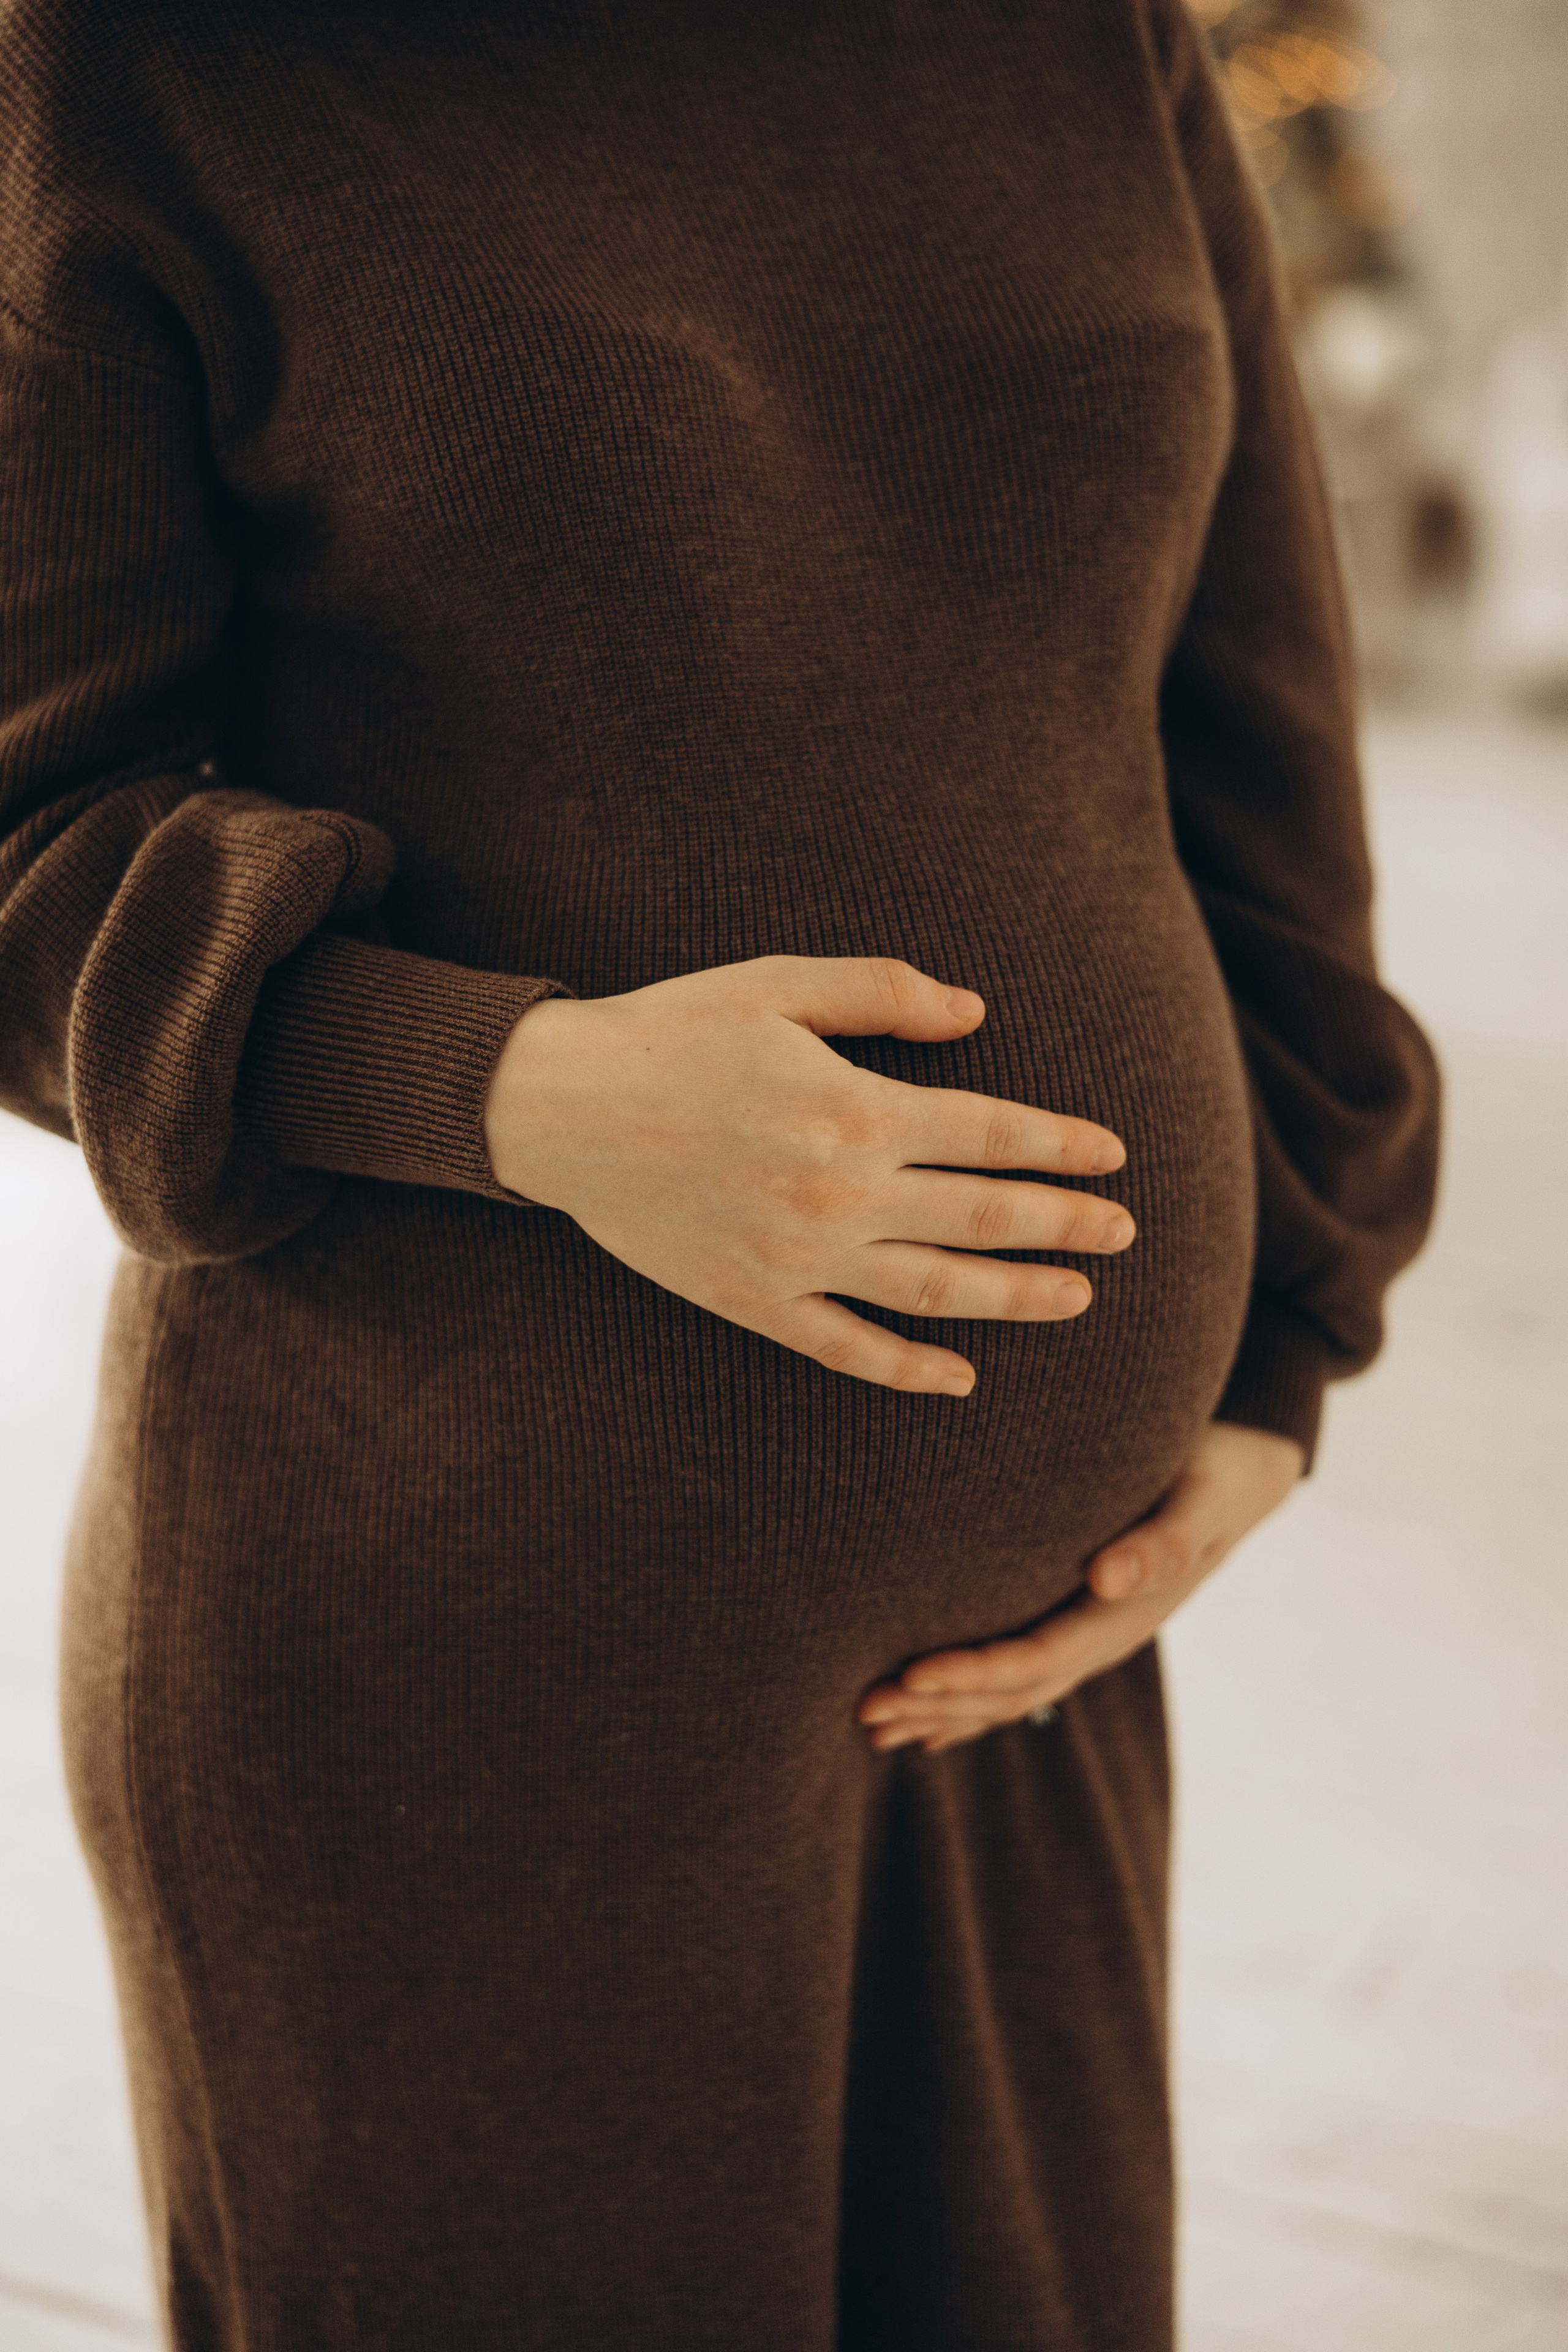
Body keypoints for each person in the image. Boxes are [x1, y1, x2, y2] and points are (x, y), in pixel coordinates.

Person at [0, 2, 1439, 2345]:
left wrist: (1289, 1342)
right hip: (460, 1668)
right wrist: (519, 1086)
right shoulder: (151, 60)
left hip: (1027, 1674)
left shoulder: (1091, 35)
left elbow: (1249, 717)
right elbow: (24, 834)